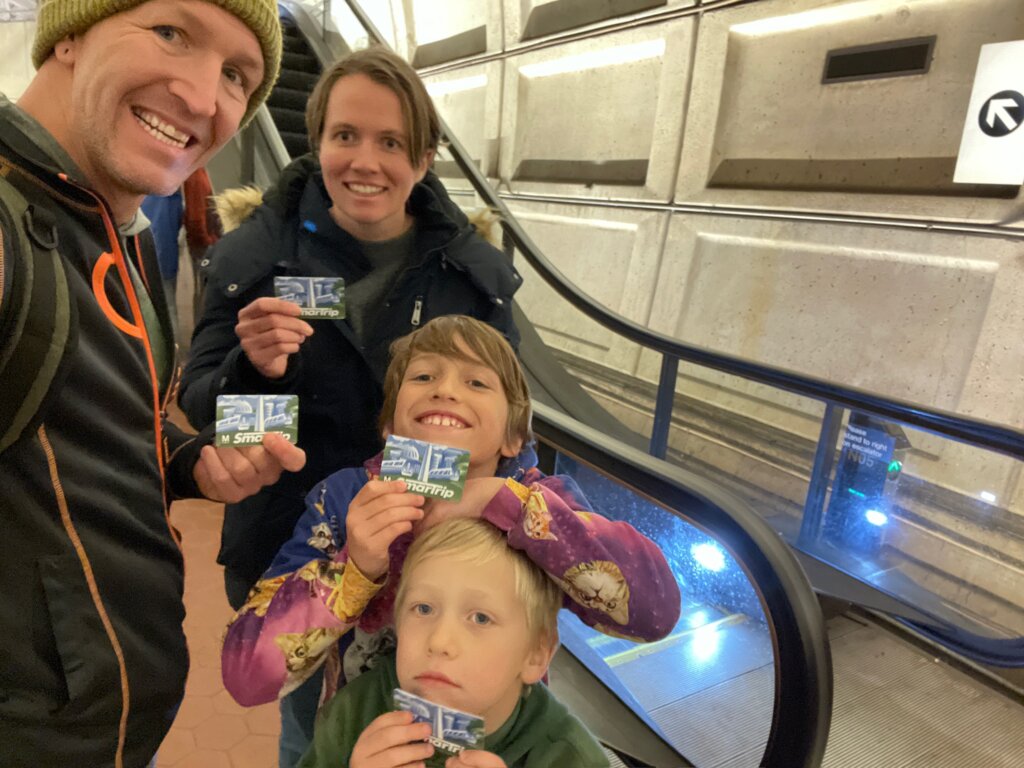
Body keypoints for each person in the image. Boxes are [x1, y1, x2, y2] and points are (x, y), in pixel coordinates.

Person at [178, 47, 523, 764]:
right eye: (345, 136)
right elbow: (203, 398)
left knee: (439, 731)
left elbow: (512, 418)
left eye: (391, 142)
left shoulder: (469, 276)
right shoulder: (255, 258)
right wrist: (257, 369)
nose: (365, 160)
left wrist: (514, 530)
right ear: (319, 142)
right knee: (317, 736)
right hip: (302, 556)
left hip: (436, 560)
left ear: (423, 160)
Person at [0, 2, 306, 765]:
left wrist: (187, 456)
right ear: (69, 32)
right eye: (172, 31)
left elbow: (91, 411)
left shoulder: (116, 231)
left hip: (106, 721)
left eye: (238, 74)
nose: (205, 99)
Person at [221, 316, 682, 760]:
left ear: (513, 437)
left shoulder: (543, 500)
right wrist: (355, 569)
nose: (445, 389)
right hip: (357, 740)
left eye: (477, 383)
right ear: (390, 427)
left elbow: (654, 613)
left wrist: (510, 506)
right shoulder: (344, 502)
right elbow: (247, 675)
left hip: (504, 744)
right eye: (423, 376)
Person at [297, 517, 611, 768]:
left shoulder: (571, 757)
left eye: (480, 618)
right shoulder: (352, 714)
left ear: (536, 655)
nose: (439, 640)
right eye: (423, 609)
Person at [141, 188, 185, 340]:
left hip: (145, 257)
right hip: (165, 257)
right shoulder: (171, 194)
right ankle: (173, 349)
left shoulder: (143, 193)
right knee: (168, 307)